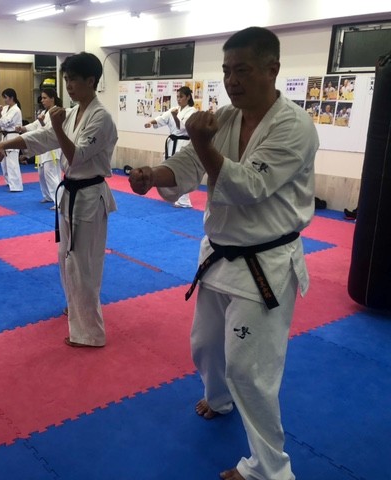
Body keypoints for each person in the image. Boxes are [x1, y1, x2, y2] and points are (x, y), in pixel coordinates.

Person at [129, 27, 319, 480]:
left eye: (243, 70)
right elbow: (191, 165)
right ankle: (218, 399)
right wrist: (154, 174)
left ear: (272, 69)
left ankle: (270, 470)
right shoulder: (228, 117)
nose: (232, 80)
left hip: (265, 264)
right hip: (218, 254)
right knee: (205, 346)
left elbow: (249, 187)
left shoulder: (294, 126)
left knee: (251, 371)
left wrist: (199, 142)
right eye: (227, 71)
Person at [0, 52, 117, 348]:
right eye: (66, 79)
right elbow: (41, 138)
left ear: (91, 81)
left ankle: (91, 333)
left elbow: (76, 155)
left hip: (89, 195)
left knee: (84, 263)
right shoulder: (72, 113)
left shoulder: (101, 117)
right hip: (70, 192)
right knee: (65, 258)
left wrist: (57, 128)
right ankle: (75, 307)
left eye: (74, 80)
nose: (68, 85)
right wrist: (5, 144)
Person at [144, 86, 197, 208]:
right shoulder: (174, 110)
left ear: (188, 97)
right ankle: (173, 196)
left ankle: (184, 201)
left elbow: (183, 127)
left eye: (181, 97)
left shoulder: (192, 111)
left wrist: (175, 117)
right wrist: (151, 122)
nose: (178, 99)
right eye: (177, 97)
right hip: (172, 143)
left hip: (183, 143)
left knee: (181, 171)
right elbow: (162, 118)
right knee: (169, 169)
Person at [17, 88, 63, 208]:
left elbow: (51, 130)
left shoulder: (57, 112)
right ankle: (48, 196)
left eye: (44, 98)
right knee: (42, 174)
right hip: (43, 149)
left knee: (51, 174)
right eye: (42, 98)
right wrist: (23, 128)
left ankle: (59, 201)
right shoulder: (44, 112)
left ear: (52, 98)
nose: (42, 100)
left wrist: (42, 123)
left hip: (52, 148)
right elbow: (35, 125)